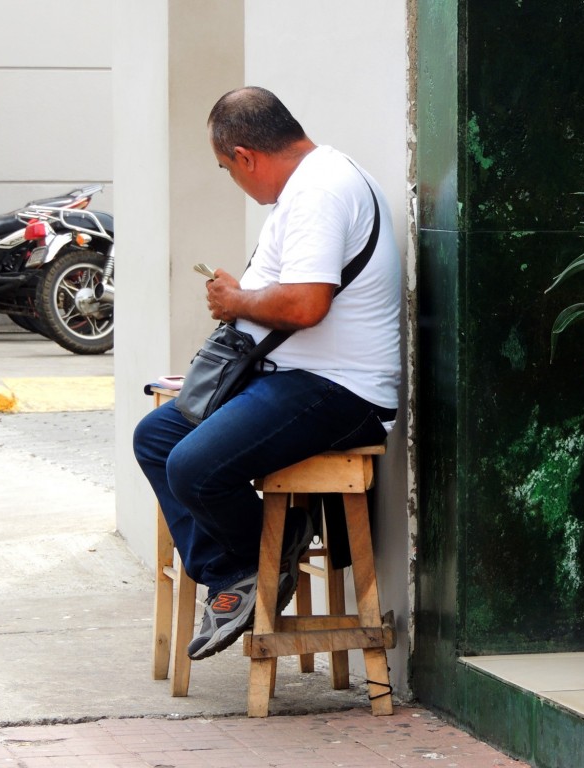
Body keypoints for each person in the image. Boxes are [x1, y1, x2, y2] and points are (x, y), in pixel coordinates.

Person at [134, 86, 401, 661]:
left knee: (192, 466)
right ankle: (237, 572)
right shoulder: (313, 184)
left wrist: (236, 301)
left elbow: (305, 305)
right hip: (293, 380)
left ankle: (268, 555)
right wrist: (246, 301)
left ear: (245, 155)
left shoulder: (319, 192)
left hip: (338, 391)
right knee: (156, 437)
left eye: (227, 168)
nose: (234, 179)